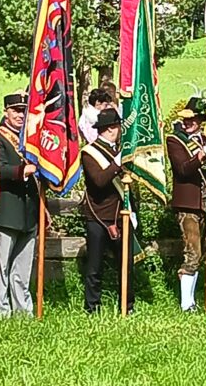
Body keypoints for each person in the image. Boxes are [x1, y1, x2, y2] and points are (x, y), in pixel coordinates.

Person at [0, 92, 40, 317]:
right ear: (6, 112)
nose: (20, 115)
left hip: (28, 211)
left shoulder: (30, 139)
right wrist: (22, 171)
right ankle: (2, 310)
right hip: (6, 210)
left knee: (23, 267)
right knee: (2, 266)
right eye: (15, 110)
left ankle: (23, 311)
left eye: (23, 111)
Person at [80, 108, 133, 314]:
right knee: (95, 265)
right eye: (117, 126)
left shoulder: (119, 150)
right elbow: (100, 180)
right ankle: (92, 307)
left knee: (126, 264)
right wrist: (118, 162)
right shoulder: (89, 152)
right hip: (98, 215)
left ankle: (127, 306)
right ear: (111, 129)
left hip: (121, 214)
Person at [166, 97, 206, 311]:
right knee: (192, 253)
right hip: (187, 205)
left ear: (200, 120)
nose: (187, 123)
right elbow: (183, 169)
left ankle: (192, 299)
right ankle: (187, 304)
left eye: (191, 120)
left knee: (201, 253)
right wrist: (202, 155)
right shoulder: (175, 141)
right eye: (185, 120)